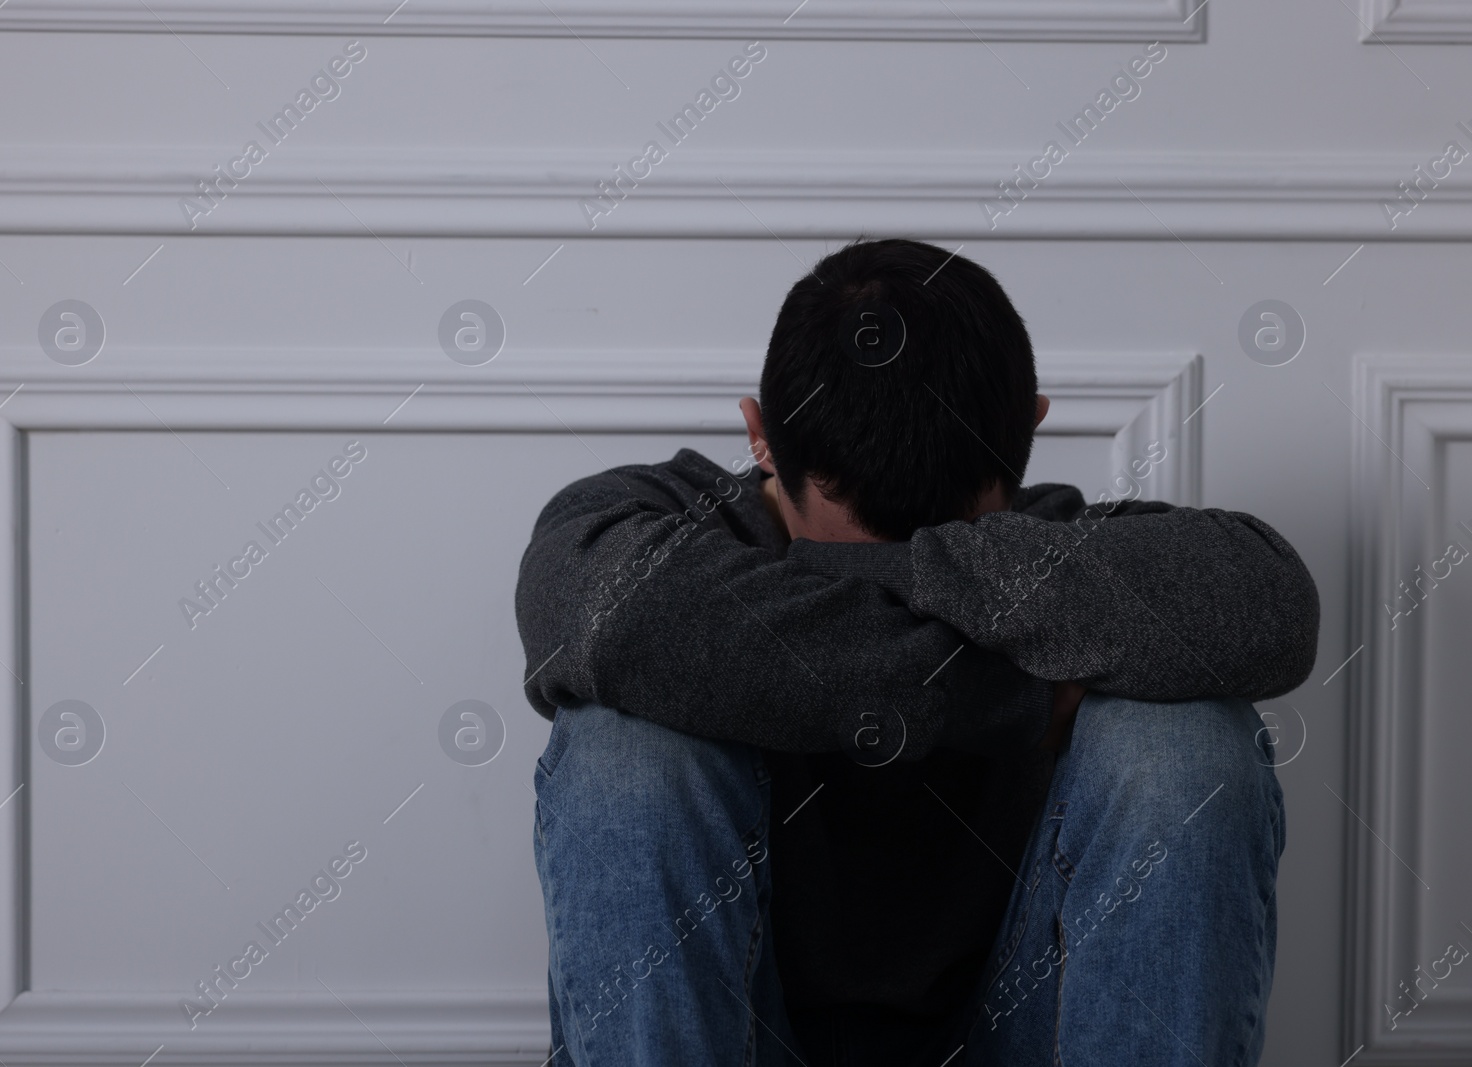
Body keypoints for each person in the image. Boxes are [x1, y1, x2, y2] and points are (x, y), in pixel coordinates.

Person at [514, 239, 1318, 1066]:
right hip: (740, 1034)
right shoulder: (634, 527)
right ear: (758, 440)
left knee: (1183, 747)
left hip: (1019, 1033)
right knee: (626, 751)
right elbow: (602, 617)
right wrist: (1026, 692)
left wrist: (823, 572)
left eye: (939, 532)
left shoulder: (1053, 549)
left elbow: (1269, 604)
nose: (888, 570)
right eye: (855, 541)